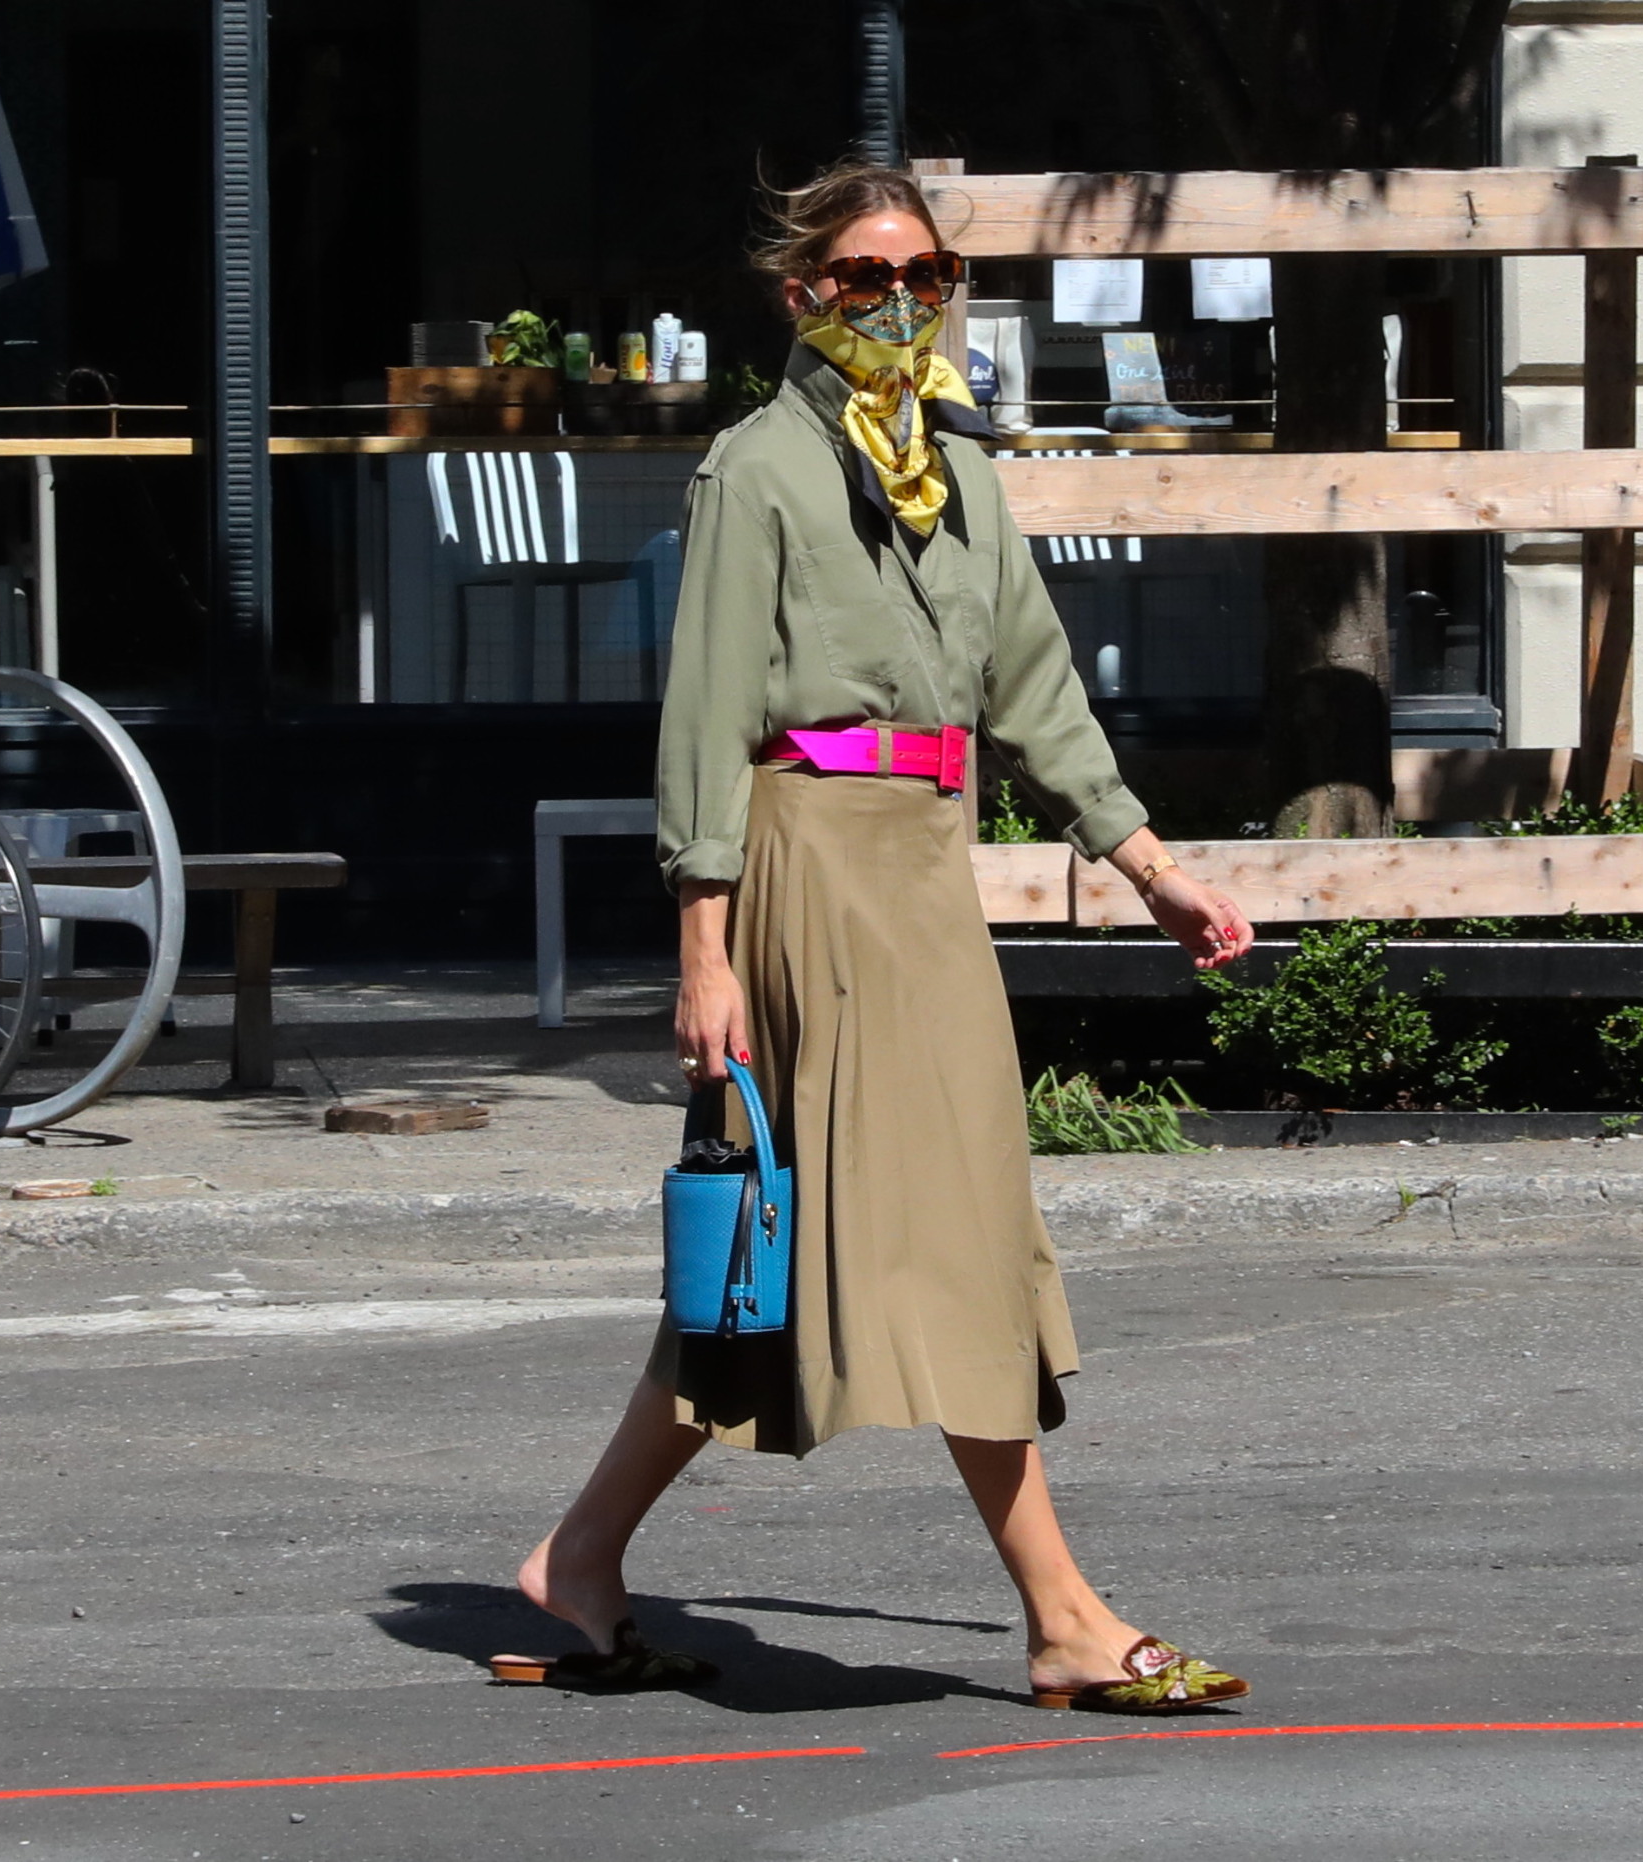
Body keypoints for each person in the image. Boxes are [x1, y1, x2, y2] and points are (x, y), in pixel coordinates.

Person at [497, 161, 1258, 1715]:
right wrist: (704, 951)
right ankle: (1060, 1612)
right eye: (863, 276)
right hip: (803, 872)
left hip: (922, 868)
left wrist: (1149, 865)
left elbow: (1037, 695)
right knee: (889, 1235)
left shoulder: (964, 479)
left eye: (925, 275)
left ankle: (575, 1558)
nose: (900, 301)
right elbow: (706, 722)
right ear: (804, 295)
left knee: (771, 1261)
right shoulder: (756, 471)